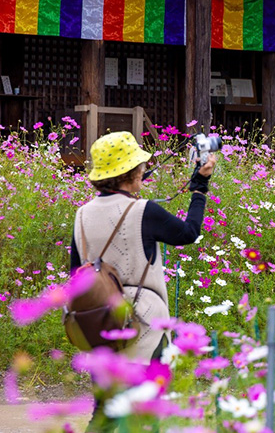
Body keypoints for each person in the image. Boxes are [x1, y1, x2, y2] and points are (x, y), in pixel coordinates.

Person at [68, 131, 216, 432]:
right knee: (147, 414)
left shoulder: (81, 215)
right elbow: (188, 233)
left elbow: (77, 274)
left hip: (99, 326)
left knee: (105, 412)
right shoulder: (143, 210)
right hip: (143, 325)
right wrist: (199, 188)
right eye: (139, 167)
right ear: (132, 172)